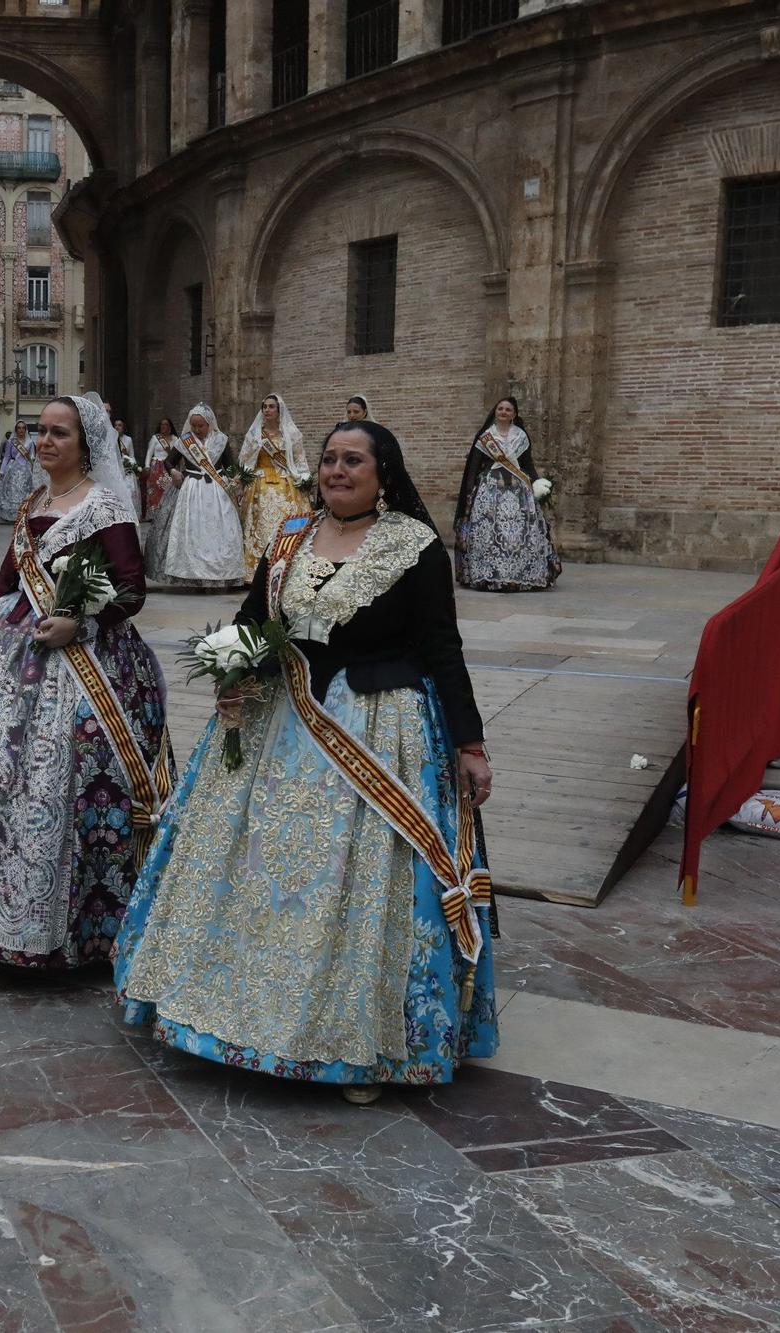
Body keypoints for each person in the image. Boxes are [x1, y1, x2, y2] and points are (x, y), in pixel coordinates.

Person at [115, 419, 496, 1104]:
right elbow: (251, 614)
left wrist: (470, 744)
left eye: (354, 460)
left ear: (385, 474)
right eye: (328, 459)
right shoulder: (290, 537)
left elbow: (443, 646)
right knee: (253, 866)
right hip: (278, 722)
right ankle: (223, 1009)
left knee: (351, 887)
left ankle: (359, 1051)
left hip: (378, 728)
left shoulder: (414, 548)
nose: (337, 470)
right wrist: (231, 667)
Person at [0, 394, 169, 968]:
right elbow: (9, 578)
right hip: (11, 645)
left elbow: (133, 588)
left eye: (59, 433)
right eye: (40, 432)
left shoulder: (106, 507)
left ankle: (75, 920)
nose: (45, 442)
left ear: (85, 445)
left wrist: (82, 622)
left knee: (58, 772)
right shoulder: (32, 501)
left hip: (87, 659)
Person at [453, 396, 561, 592]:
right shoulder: (485, 437)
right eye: (500, 408)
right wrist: (469, 491)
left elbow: (528, 465)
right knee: (488, 534)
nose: (503, 412)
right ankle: (490, 575)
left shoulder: (521, 437)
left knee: (520, 535)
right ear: (495, 411)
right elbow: (474, 467)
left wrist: (538, 484)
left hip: (519, 490)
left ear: (514, 414)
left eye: (508, 410)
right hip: (490, 490)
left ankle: (519, 576)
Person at [153, 403, 247, 588]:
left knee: (218, 533)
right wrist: (173, 472)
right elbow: (169, 462)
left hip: (217, 492)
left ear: (209, 424)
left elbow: (229, 465)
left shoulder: (221, 440)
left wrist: (236, 481)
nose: (196, 429)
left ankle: (220, 574)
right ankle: (194, 575)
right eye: (193, 425)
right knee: (193, 532)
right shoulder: (185, 441)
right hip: (192, 491)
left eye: (200, 426)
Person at [238, 392, 311, 575]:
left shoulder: (291, 435)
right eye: (264, 407)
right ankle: (255, 571)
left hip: (286, 486)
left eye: (271, 407)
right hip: (260, 486)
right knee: (258, 528)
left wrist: (304, 479)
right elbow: (245, 461)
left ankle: (286, 567)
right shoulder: (255, 435)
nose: (267, 410)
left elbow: (300, 460)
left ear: (279, 410)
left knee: (285, 526)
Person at [0, 419, 38, 522]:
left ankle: (22, 514)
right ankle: (10, 515)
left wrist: (34, 471)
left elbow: (33, 458)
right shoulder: (11, 442)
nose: (21, 430)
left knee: (24, 492)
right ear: (16, 429)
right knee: (10, 492)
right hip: (12, 470)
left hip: (25, 471)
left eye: (23, 428)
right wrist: (1, 471)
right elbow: (6, 457)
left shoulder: (30, 442)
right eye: (19, 428)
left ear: (26, 429)